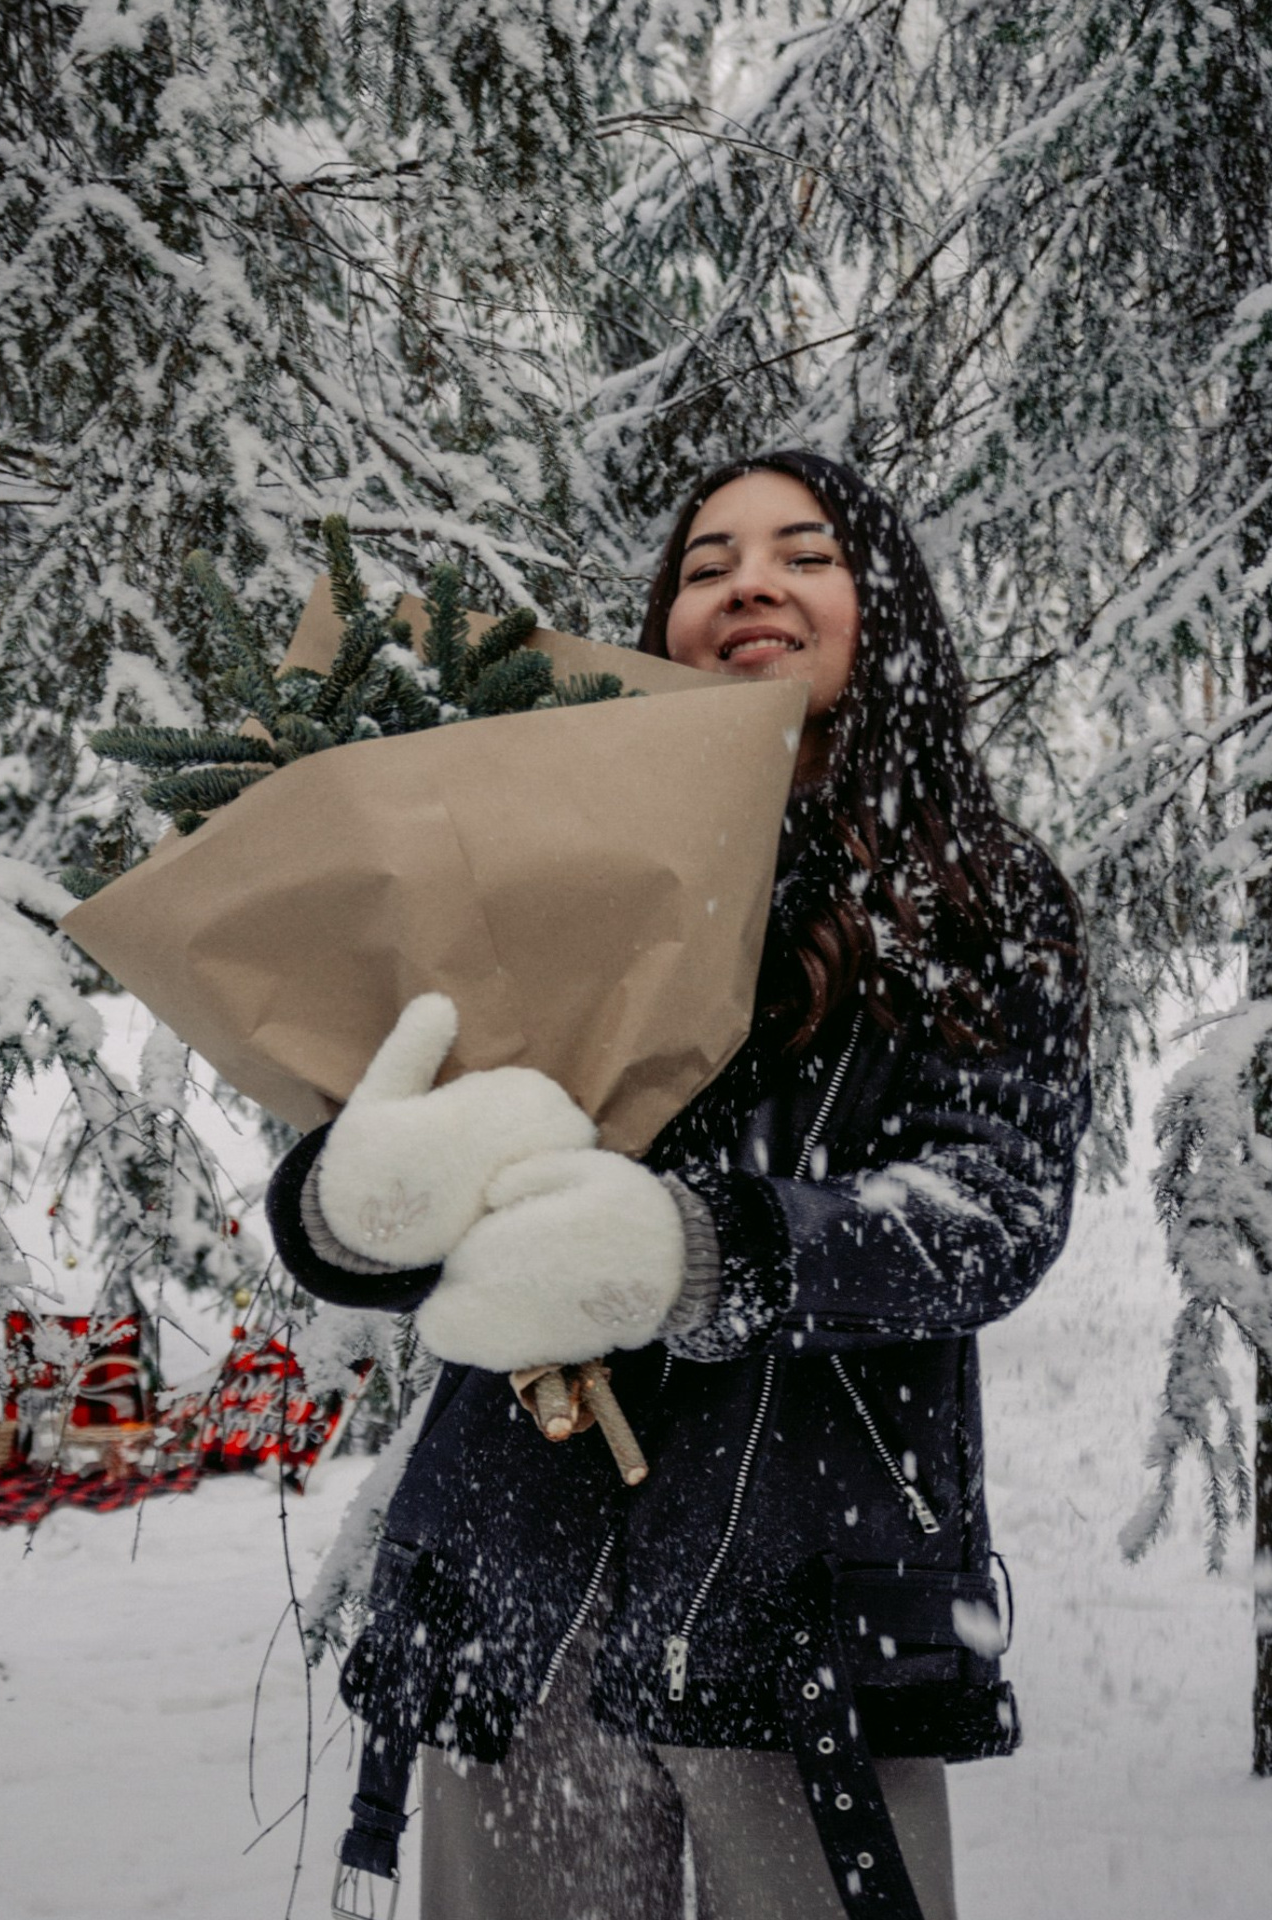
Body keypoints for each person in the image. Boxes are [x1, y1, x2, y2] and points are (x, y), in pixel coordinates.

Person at [266, 450, 1091, 1920]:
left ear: (880, 606)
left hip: (799, 1595)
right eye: (704, 566)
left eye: (804, 553)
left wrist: (703, 1253)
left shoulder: (980, 893)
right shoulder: (550, 861)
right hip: (525, 1588)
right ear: (660, 633)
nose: (748, 584)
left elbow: (994, 1212)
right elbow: (393, 1134)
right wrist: (357, 1205)